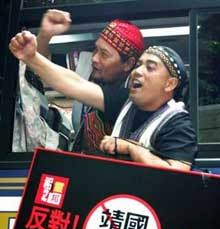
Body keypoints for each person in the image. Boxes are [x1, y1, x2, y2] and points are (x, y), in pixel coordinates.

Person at [9, 31, 197, 170]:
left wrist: (132, 149)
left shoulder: (178, 124)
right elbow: (74, 84)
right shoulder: (126, 101)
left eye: (150, 67)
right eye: (139, 65)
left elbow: (177, 174)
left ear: (170, 84)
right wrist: (32, 58)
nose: (138, 71)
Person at [35, 9, 145, 151]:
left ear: (128, 64)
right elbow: (46, 66)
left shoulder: (131, 96)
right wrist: (45, 34)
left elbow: (73, 84)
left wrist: (30, 57)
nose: (94, 58)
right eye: (96, 49)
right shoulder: (87, 64)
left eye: (104, 54)